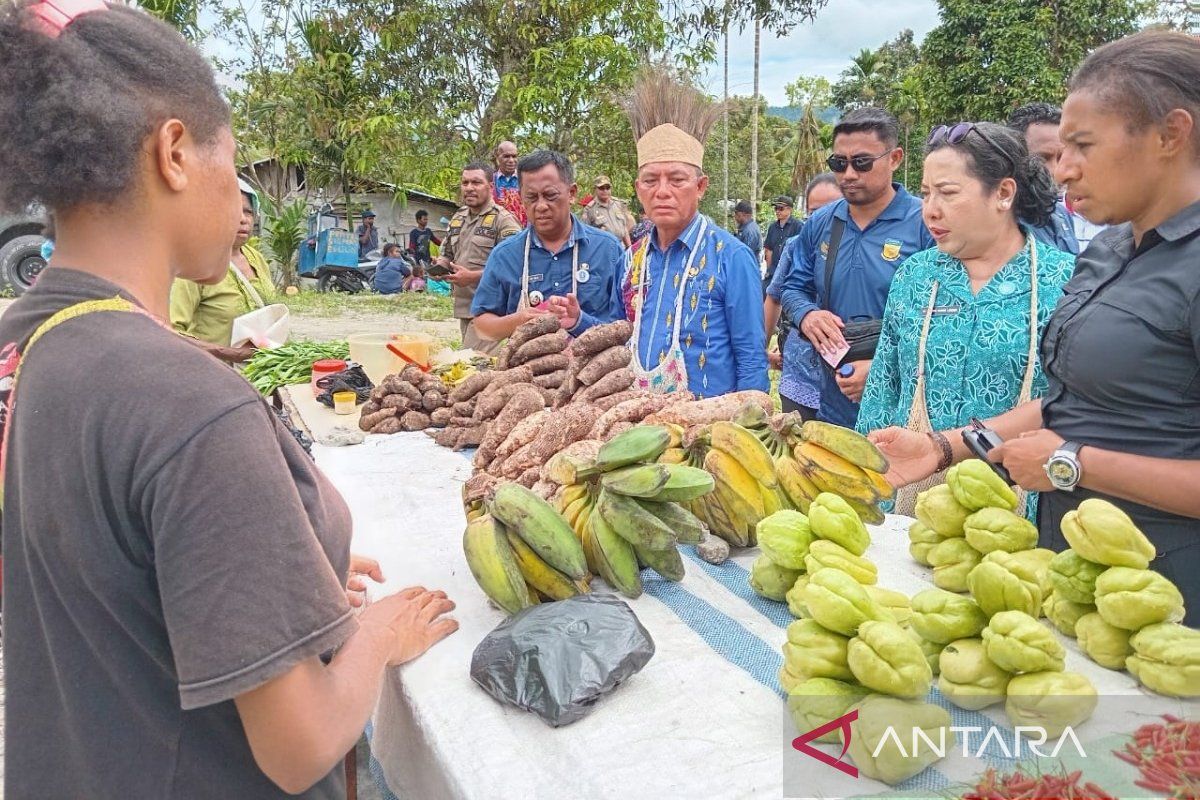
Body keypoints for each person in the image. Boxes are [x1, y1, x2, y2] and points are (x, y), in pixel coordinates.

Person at [0, 3, 459, 799]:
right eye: (233, 159)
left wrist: (273, 575)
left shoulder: (45, 342)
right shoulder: (191, 404)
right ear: (176, 152)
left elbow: (119, 569)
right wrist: (377, 637)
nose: (242, 201)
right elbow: (300, 742)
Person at [871, 30, 1200, 618]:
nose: (1063, 170)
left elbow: (1071, 439)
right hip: (1068, 569)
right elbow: (1071, 403)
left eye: (1082, 146)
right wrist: (945, 448)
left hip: (1168, 594)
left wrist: (1071, 462)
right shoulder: (1110, 255)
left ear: (1171, 135)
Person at [856, 122, 1075, 517]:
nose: (930, 210)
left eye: (948, 193)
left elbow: (1078, 401)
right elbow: (882, 390)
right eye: (925, 194)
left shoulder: (1064, 282)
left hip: (1022, 503)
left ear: (1004, 193)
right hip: (913, 496)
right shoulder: (916, 277)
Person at [779, 107, 936, 429]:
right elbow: (794, 287)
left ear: (894, 158)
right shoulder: (822, 222)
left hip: (905, 410)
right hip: (834, 405)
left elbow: (948, 318)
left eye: (862, 162)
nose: (848, 174)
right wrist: (807, 314)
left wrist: (884, 369)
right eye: (839, 163)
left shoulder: (927, 224)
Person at [621, 69, 769, 398]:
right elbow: (619, 332)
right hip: (639, 424)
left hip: (706, 433)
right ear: (637, 189)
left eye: (676, 179)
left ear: (700, 186)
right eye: (650, 180)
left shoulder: (731, 257)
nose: (662, 192)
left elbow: (751, 357)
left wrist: (749, 428)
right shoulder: (633, 258)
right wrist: (576, 320)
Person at [472, 150, 626, 341]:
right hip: (529, 367)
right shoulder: (505, 255)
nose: (541, 206)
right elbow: (482, 324)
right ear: (521, 197)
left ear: (571, 193)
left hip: (597, 367)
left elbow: (627, 321)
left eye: (550, 195)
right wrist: (518, 321)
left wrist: (580, 321)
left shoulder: (607, 250)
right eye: (531, 197)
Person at [170, 177, 274, 362]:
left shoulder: (256, 259)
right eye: (233, 210)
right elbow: (171, 333)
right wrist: (231, 354)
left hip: (259, 376)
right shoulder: (193, 263)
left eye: (248, 212)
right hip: (213, 376)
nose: (243, 219)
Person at [765, 173, 843, 418]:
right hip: (799, 377)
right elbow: (775, 297)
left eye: (832, 209)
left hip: (848, 379)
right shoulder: (795, 246)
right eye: (814, 212)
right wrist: (760, 351)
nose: (822, 219)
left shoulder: (863, 248)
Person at [436, 161, 521, 353]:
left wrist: (472, 277)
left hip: (492, 310)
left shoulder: (504, 220)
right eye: (465, 183)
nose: (469, 188)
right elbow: (447, 253)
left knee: (474, 367)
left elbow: (516, 268)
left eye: (476, 182)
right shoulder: (459, 217)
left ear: (490, 186)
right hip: (465, 308)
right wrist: (440, 267)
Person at [1007, 102, 1080, 255]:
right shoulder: (1000, 223)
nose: (1057, 170)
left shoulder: (1062, 215)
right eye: (1043, 158)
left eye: (1061, 157)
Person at [581, 175, 636, 247]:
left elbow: (624, 229)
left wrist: (629, 248)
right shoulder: (589, 210)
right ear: (595, 189)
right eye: (601, 188)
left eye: (608, 188)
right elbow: (586, 236)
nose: (605, 191)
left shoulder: (618, 204)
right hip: (604, 249)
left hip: (621, 247)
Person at [763, 194, 801, 285]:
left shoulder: (798, 226)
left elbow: (801, 252)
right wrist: (769, 269)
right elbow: (768, 250)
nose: (777, 211)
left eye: (781, 208)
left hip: (790, 274)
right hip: (773, 272)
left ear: (790, 209)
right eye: (776, 208)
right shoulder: (772, 227)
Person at [493, 140, 526, 227]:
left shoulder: (526, 179)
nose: (511, 160)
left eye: (514, 156)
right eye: (506, 156)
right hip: (497, 228)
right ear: (497, 157)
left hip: (522, 229)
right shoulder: (490, 180)